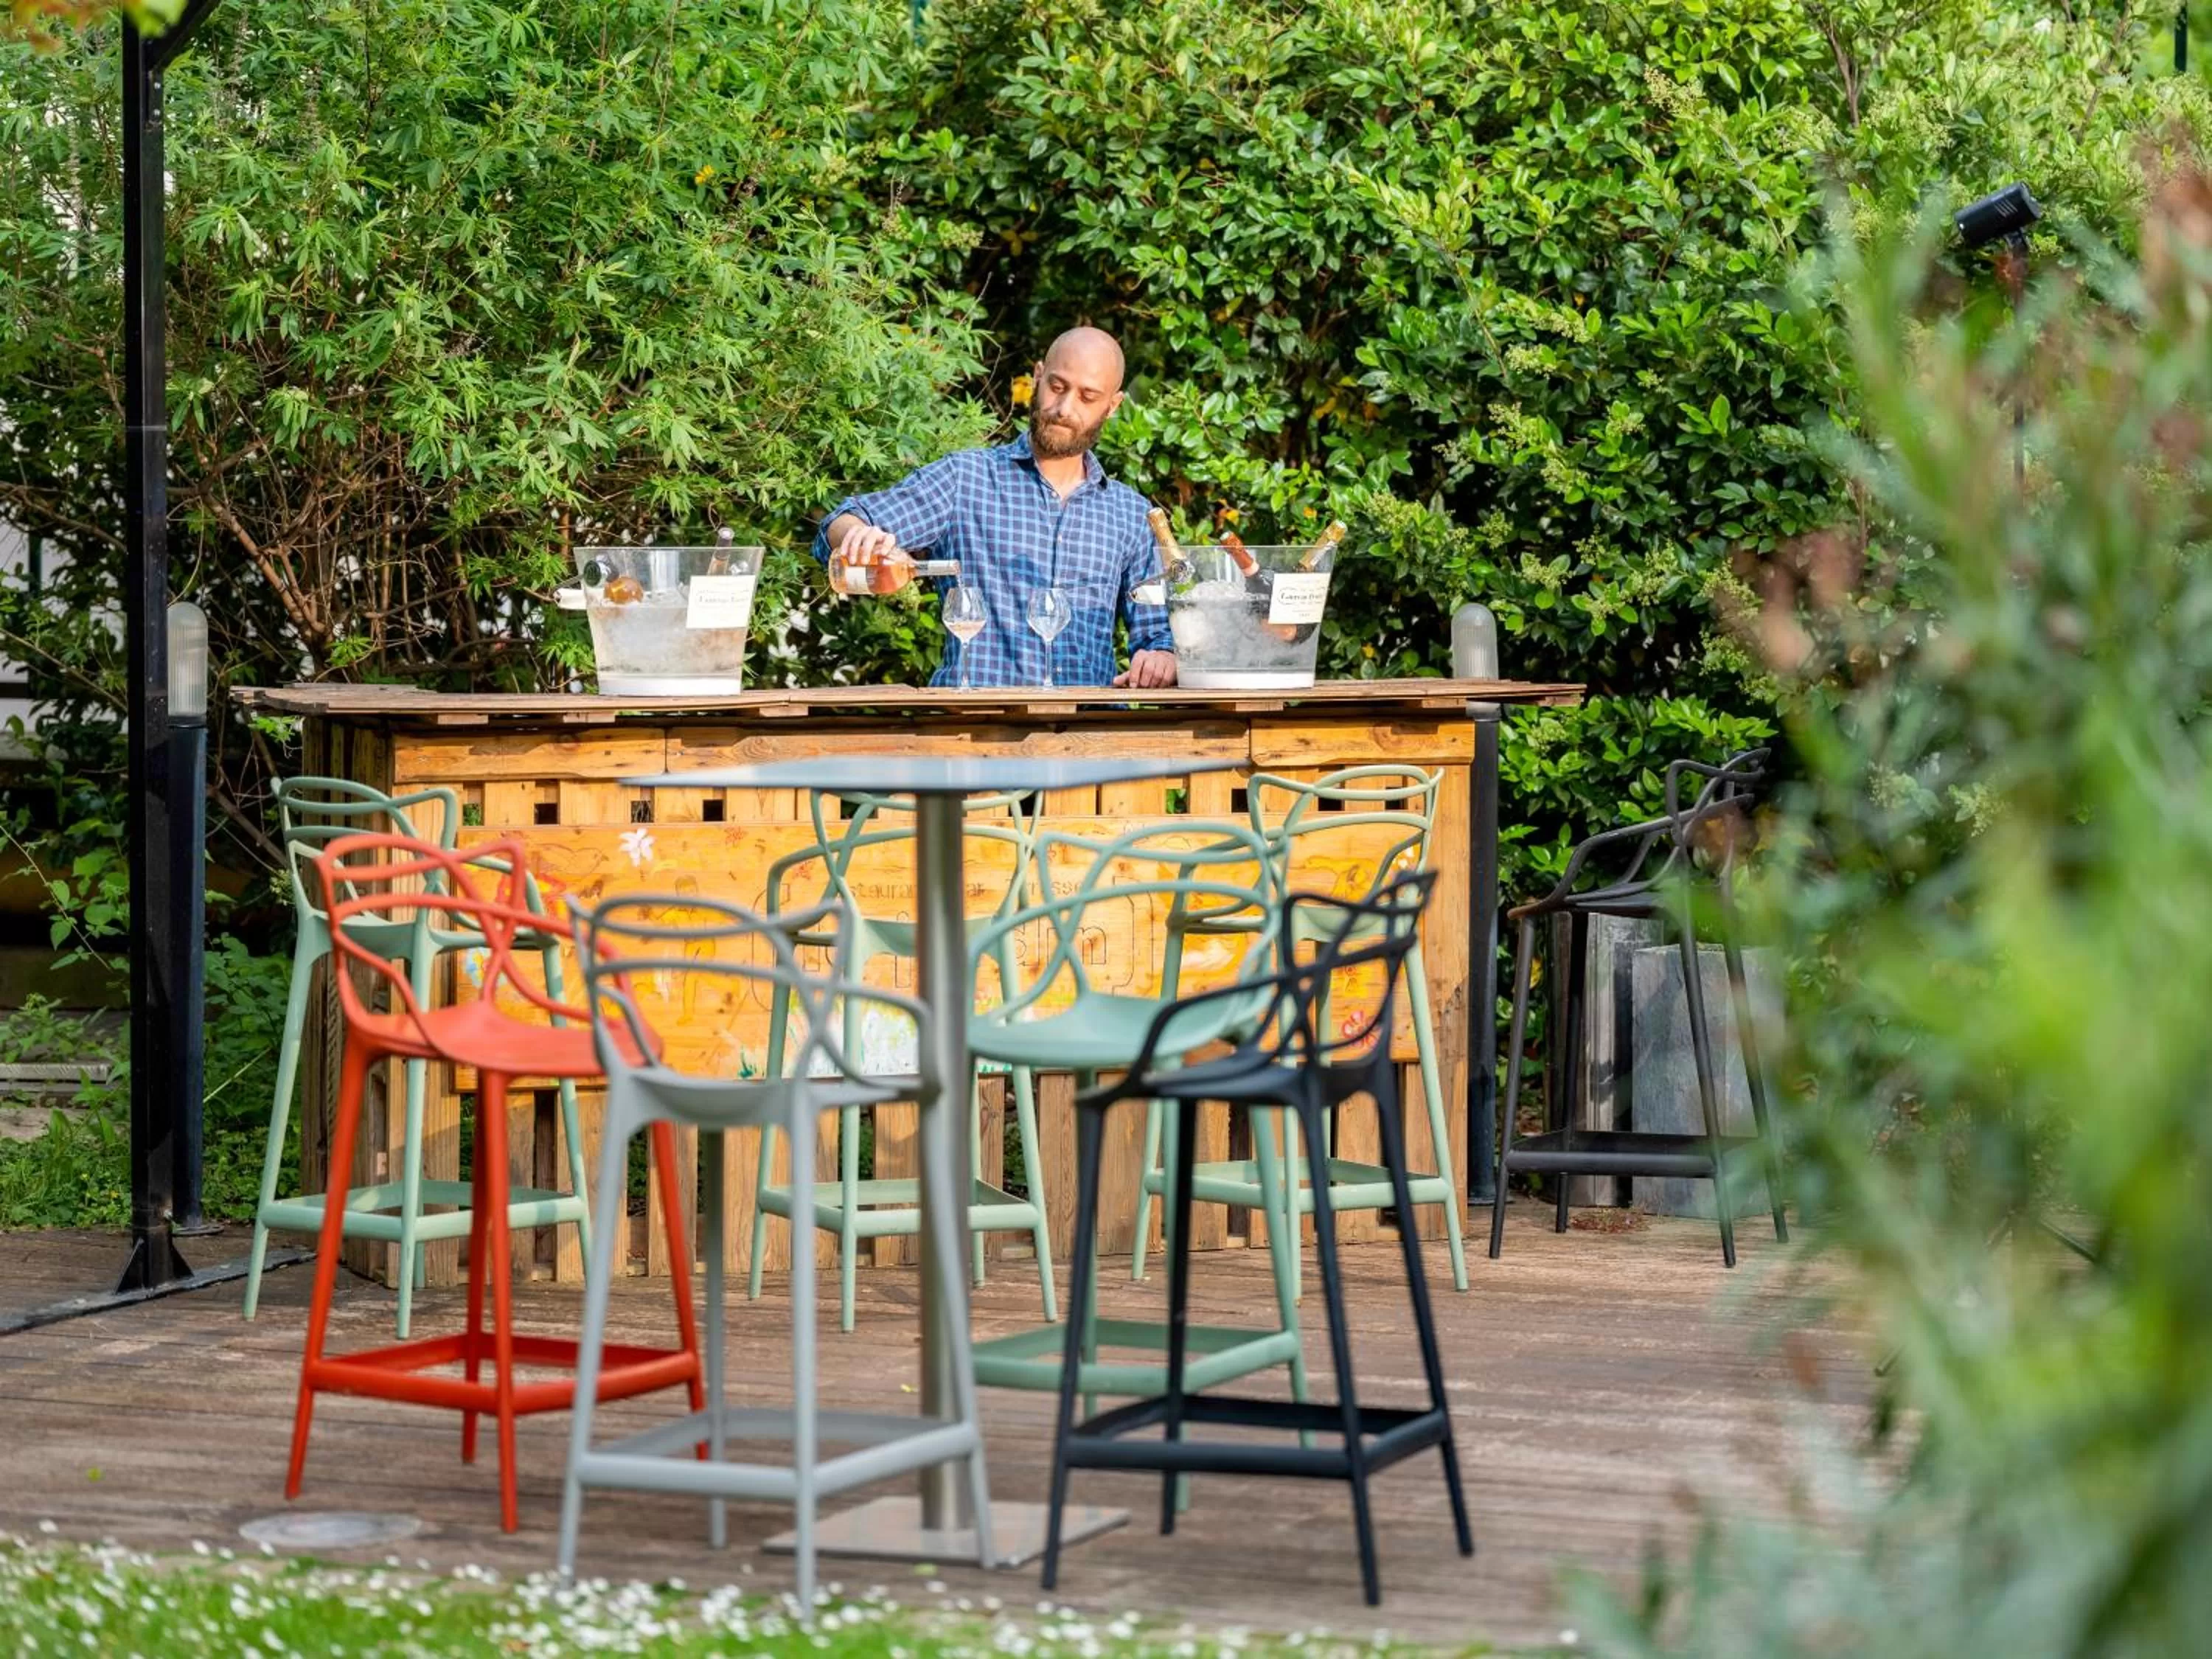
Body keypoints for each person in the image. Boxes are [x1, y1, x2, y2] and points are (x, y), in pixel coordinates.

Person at [812, 327, 1178, 689]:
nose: (1065, 408)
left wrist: (1162, 657)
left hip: (1086, 734)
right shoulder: (965, 479)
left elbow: (1158, 634)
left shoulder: (1131, 514)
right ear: (1037, 377)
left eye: (1087, 397)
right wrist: (856, 535)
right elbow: (843, 522)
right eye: (1057, 387)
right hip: (975, 730)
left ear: (1112, 406)